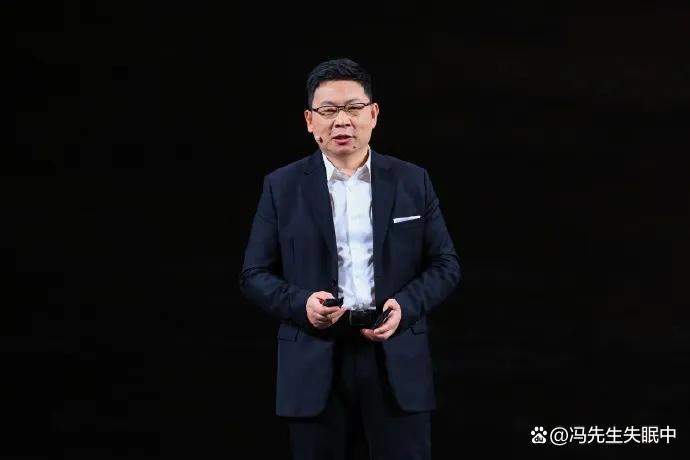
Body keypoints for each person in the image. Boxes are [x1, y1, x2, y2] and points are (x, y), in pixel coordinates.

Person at [239, 57, 461, 460]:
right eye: (328, 110)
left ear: (373, 114)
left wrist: (406, 306)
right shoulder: (281, 187)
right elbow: (253, 274)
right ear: (310, 121)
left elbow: (446, 264)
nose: (342, 120)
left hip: (393, 355)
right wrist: (301, 305)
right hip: (314, 358)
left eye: (354, 108)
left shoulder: (412, 181)